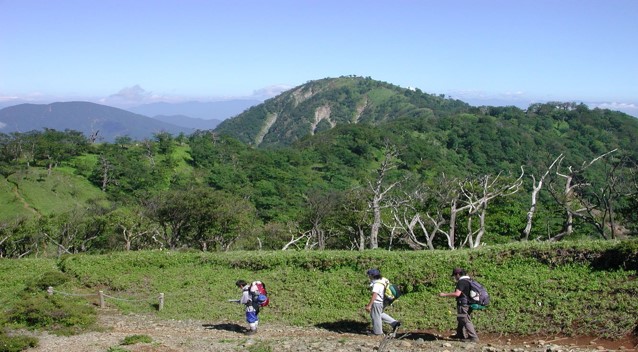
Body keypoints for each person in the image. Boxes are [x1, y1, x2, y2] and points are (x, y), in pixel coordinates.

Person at [439, 267, 479, 342]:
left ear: (458, 274)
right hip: (470, 303)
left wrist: (444, 295)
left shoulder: (461, 282)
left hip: (463, 304)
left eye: (454, 275)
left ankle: (473, 337)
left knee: (465, 319)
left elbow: (457, 294)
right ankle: (460, 334)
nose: (455, 277)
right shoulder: (469, 280)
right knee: (461, 318)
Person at [365, 268, 401, 336]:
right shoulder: (383, 279)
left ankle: (378, 333)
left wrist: (369, 305)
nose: (368, 277)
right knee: (378, 313)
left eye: (369, 275)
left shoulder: (377, 284)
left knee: (375, 316)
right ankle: (395, 323)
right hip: (386, 300)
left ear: (372, 275)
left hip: (378, 302)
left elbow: (374, 295)